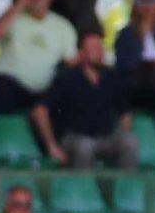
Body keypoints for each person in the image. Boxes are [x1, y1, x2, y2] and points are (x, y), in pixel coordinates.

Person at [35, 31, 139, 168]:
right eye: (93, 48)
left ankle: (125, 187)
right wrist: (52, 146)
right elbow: (39, 111)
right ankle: (84, 187)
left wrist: (122, 131)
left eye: (100, 48)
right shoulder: (67, 78)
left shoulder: (111, 78)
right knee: (85, 145)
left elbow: (125, 113)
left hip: (106, 137)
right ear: (81, 53)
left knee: (130, 141)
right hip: (74, 138)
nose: (99, 52)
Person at [0, 0, 78, 116]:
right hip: (10, 86)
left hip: (44, 90)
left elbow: (71, 62)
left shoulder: (63, 26)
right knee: (2, 84)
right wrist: (20, 4)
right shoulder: (14, 17)